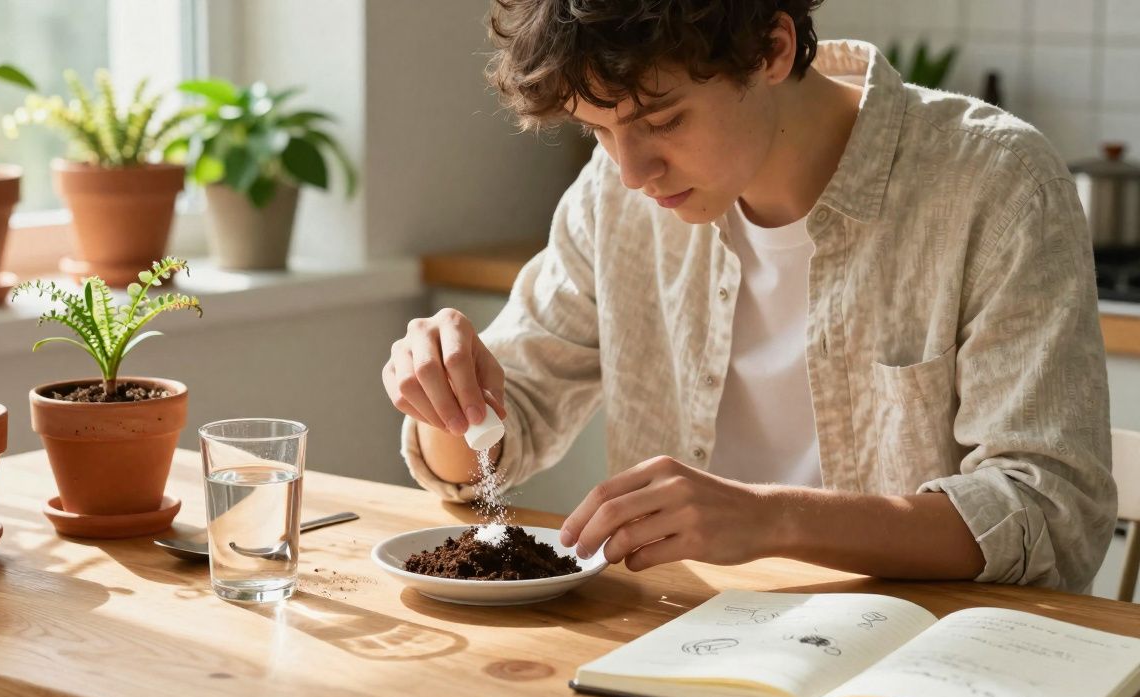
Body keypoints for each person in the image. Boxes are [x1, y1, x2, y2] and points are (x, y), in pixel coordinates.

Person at [381, 0, 1116, 592]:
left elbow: (1046, 516)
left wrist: (771, 519)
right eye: (597, 131)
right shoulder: (613, 197)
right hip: (682, 644)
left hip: (921, 665)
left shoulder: (996, 184)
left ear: (772, 49)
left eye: (662, 120)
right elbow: (501, 439)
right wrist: (449, 397)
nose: (631, 171)